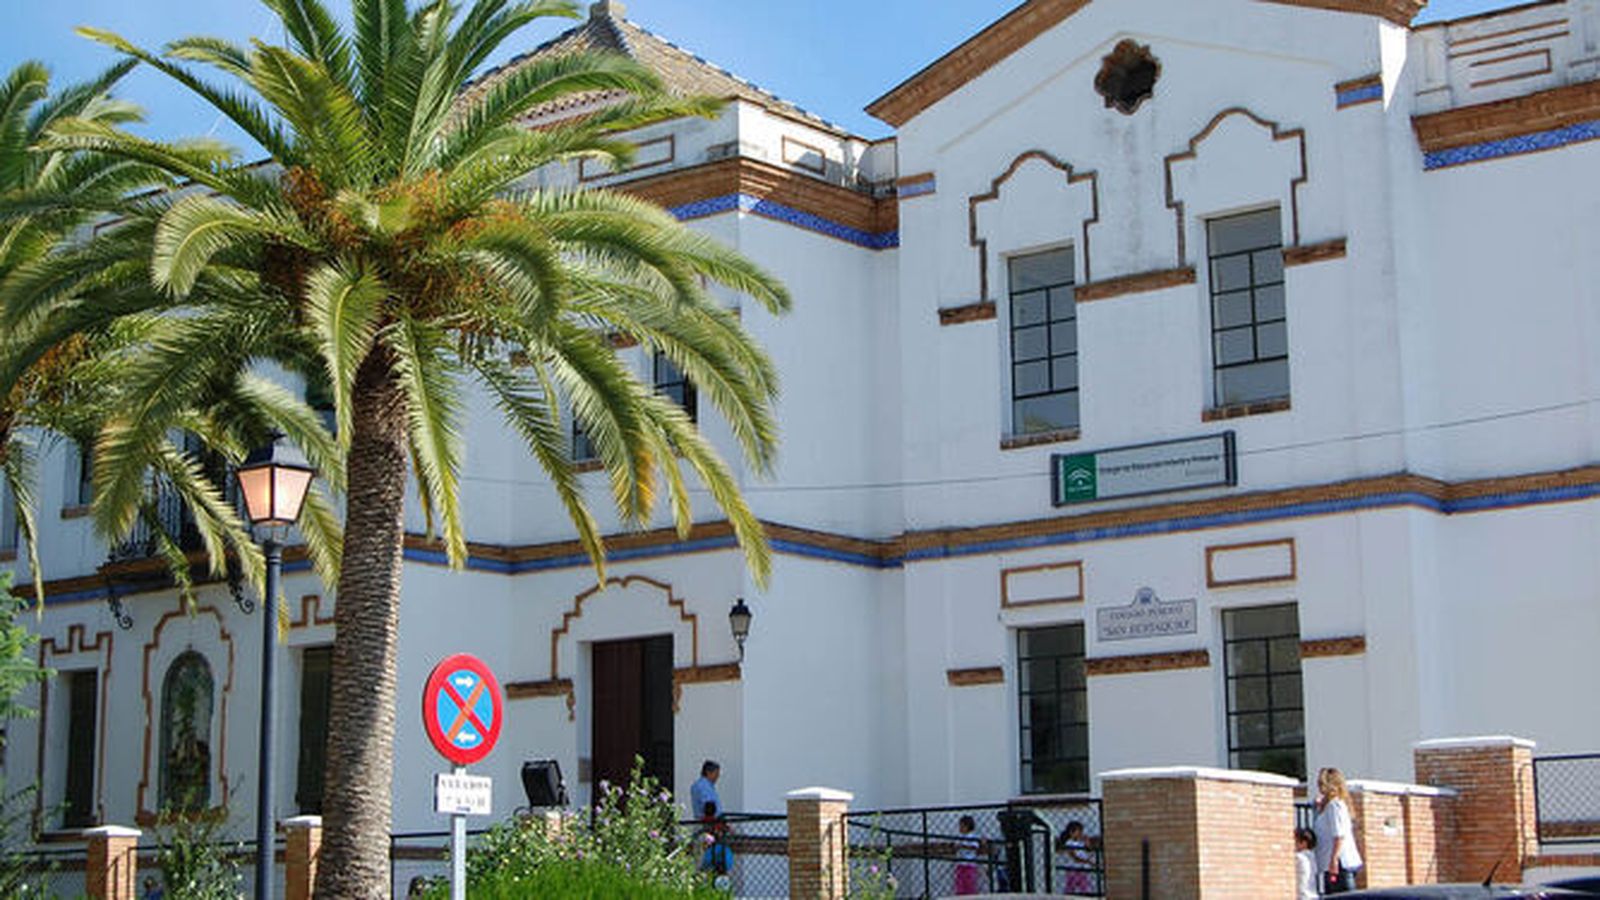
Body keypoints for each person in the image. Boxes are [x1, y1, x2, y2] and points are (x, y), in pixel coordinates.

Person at [1313, 767, 1363, 894]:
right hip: (1330, 863)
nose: (1319, 787)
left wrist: (1334, 860)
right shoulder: (1328, 806)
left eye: (1322, 783)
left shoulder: (1335, 806)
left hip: (1338, 863)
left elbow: (1339, 835)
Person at [1056, 820, 1095, 896]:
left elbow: (1089, 851)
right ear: (1071, 832)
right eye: (1079, 831)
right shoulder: (1069, 843)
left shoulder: (1080, 843)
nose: (1081, 833)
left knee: (1084, 886)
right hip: (1073, 869)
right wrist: (1087, 861)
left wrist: (1087, 843)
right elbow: (1074, 857)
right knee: (1071, 887)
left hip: (1082, 869)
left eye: (1081, 831)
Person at [953, 814, 982, 895]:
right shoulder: (960, 836)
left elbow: (974, 846)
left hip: (970, 864)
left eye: (962, 826)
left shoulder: (972, 836)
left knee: (969, 884)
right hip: (960, 863)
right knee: (960, 882)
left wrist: (963, 846)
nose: (960, 828)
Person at [1294, 827, 1318, 900]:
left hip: (1303, 896)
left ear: (1304, 843)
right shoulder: (1313, 857)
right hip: (1313, 895)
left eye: (1296, 841)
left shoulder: (1299, 857)